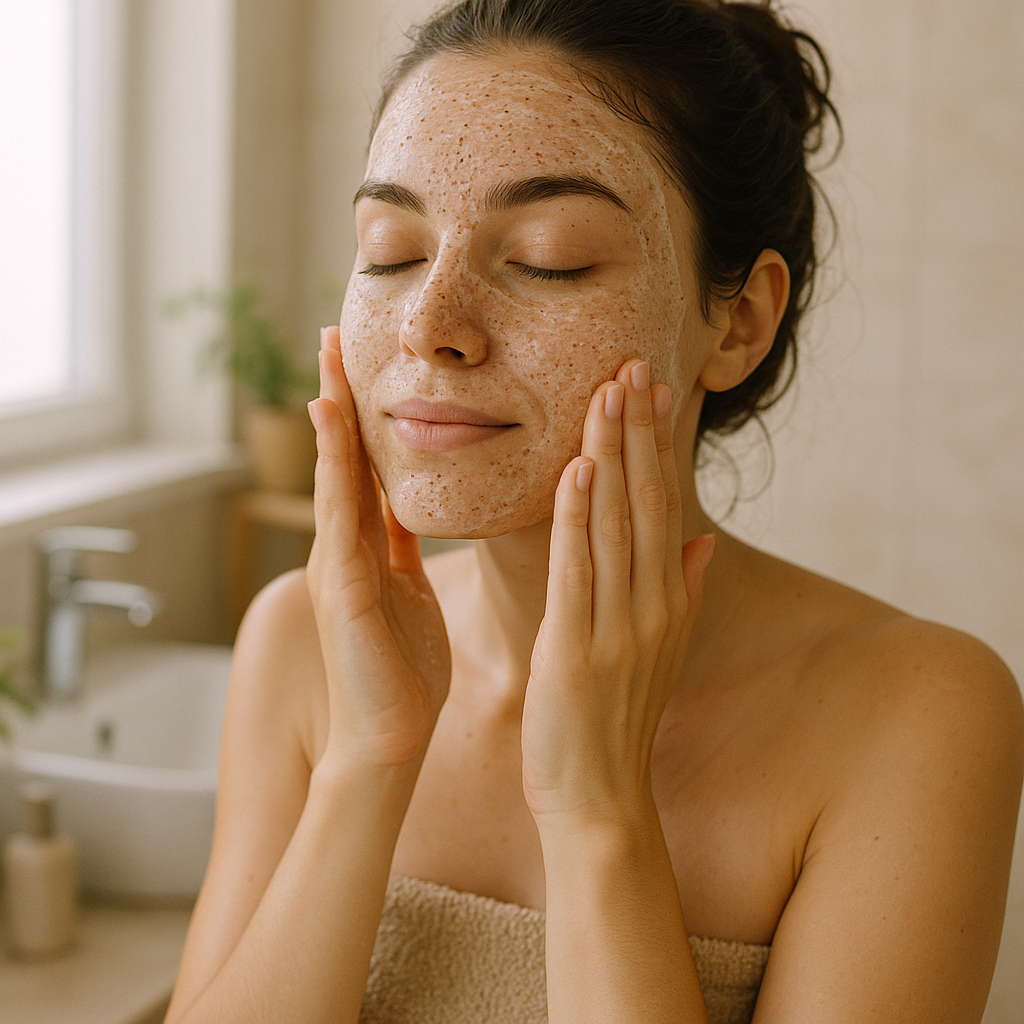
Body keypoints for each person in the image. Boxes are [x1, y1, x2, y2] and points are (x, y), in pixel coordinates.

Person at [164, 1, 1024, 1021]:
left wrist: (595, 811)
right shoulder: (303, 645)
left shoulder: (916, 713)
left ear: (738, 321)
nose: (428, 325)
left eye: (548, 258)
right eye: (390, 249)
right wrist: (365, 763)